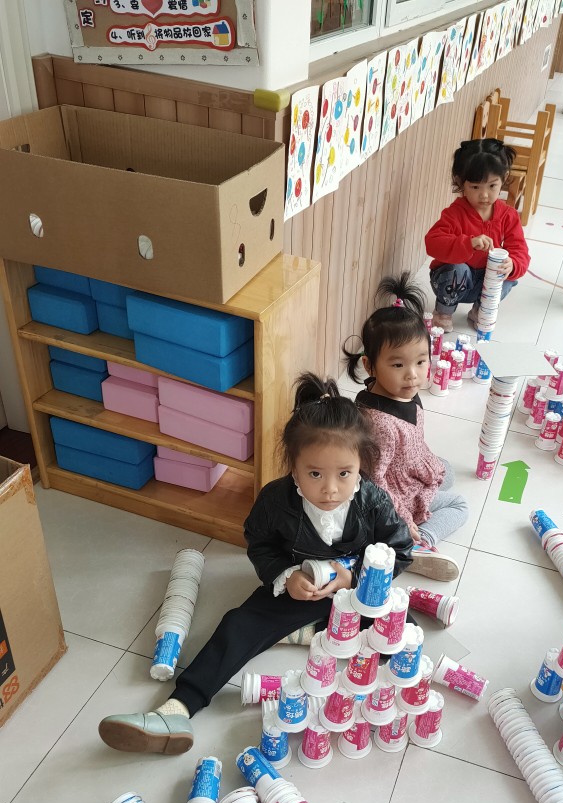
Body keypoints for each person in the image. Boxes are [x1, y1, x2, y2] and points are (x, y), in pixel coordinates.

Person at [97, 373, 414, 755]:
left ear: (360, 465)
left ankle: (315, 637)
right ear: (294, 468)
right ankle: (177, 709)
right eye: (315, 474)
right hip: (298, 587)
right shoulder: (277, 500)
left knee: (402, 633)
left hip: (356, 591)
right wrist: (286, 575)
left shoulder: (372, 500)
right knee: (238, 625)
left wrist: (356, 578)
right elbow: (260, 543)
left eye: (344, 473)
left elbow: (401, 547)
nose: (330, 488)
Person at [344, 275, 468, 582]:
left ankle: (413, 520)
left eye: (421, 362)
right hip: (394, 493)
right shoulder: (380, 424)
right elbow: (376, 483)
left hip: (408, 469)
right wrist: (405, 519)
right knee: (459, 505)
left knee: (448, 471)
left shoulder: (399, 391)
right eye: (398, 365)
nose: (412, 375)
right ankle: (417, 544)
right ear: (370, 366)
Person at [424, 138, 530, 333]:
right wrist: (468, 243)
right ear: (460, 182)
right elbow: (432, 243)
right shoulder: (455, 213)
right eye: (475, 187)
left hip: (485, 282)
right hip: (451, 280)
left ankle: (480, 310)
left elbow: (520, 250)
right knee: (459, 268)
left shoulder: (508, 215)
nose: (484, 195)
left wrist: (513, 264)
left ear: (504, 178)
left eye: (492, 186)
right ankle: (443, 312)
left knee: (508, 276)